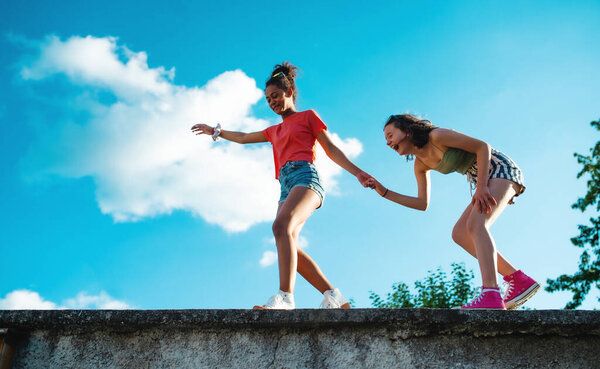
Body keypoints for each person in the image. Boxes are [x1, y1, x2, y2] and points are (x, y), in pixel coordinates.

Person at [191, 62, 372, 309]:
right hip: (285, 186)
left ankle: (285, 298)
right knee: (288, 245)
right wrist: (216, 131)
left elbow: (330, 149)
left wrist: (358, 173)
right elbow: (244, 138)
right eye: (267, 99)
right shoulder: (273, 130)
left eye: (275, 96)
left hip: (305, 179)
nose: (272, 102)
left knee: (280, 226)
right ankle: (334, 297)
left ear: (289, 92)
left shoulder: (308, 116)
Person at [366, 114, 540, 310]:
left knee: (476, 225)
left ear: (407, 130)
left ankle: (491, 293)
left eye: (390, 135)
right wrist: (384, 192)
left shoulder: (437, 136)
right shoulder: (420, 164)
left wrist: (481, 186)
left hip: (499, 168)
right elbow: (422, 203)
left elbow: (482, 147)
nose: (388, 142)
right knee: (459, 233)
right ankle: (518, 280)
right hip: (485, 179)